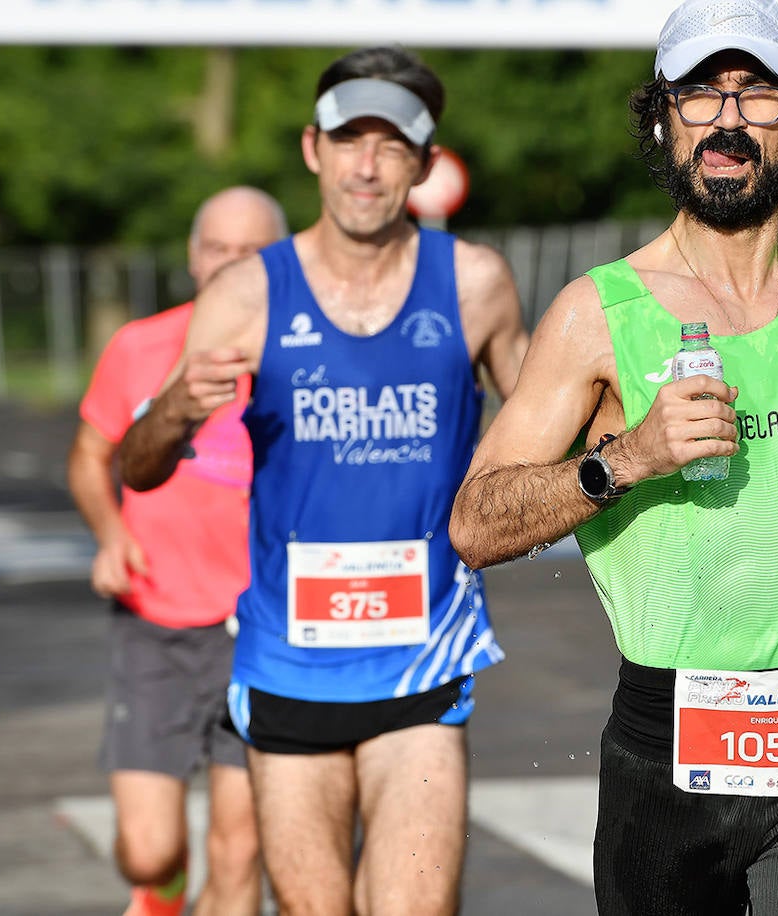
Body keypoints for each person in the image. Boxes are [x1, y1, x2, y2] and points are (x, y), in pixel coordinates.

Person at [449, 1, 778, 912]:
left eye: (757, 94)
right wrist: (625, 458)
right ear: (663, 117)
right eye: (700, 93)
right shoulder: (595, 315)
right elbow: (473, 524)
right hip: (667, 751)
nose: (727, 120)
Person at [117, 46, 528, 916]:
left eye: (391, 145)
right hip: (288, 668)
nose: (367, 166)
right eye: (349, 141)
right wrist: (173, 412)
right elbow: (138, 467)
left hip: (424, 663)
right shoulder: (246, 295)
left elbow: (548, 430)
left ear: (425, 162)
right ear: (314, 148)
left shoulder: (476, 284)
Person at [67, 185, 287, 916]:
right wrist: (110, 535)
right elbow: (89, 455)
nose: (231, 263)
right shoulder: (140, 347)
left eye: (250, 250)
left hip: (258, 632)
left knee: (240, 850)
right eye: (217, 248)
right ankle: (160, 889)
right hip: (153, 622)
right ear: (193, 259)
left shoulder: (297, 355)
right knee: (150, 847)